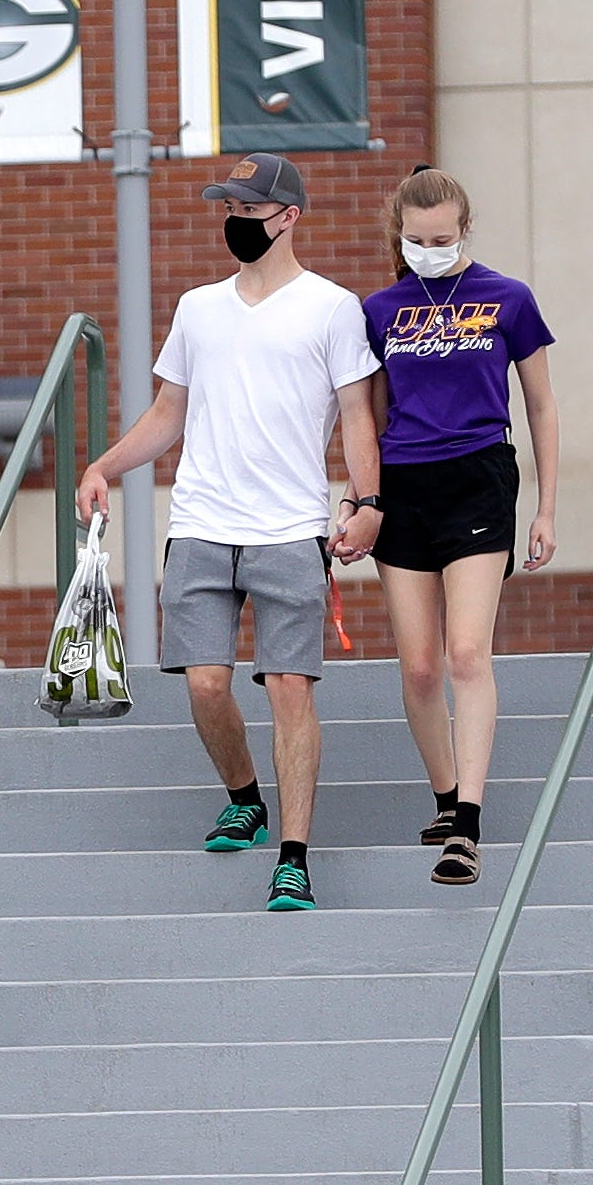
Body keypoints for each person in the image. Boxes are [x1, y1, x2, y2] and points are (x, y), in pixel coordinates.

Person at [76, 153, 384, 914]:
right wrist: (105, 466)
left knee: (288, 689)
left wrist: (368, 500)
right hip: (205, 521)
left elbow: (356, 416)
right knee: (206, 682)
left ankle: (293, 857)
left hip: (290, 527)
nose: (237, 221)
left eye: (250, 209)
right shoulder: (197, 308)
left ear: (289, 217)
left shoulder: (332, 307)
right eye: (230, 207)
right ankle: (244, 796)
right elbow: (167, 413)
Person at [360, 167, 559, 888]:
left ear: (465, 229)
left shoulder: (508, 298)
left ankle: (468, 825)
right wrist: (361, 500)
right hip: (404, 481)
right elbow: (367, 416)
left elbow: (540, 404)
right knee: (419, 665)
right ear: (400, 235)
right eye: (417, 240)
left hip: (479, 475)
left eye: (442, 239)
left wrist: (545, 506)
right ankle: (445, 795)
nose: (429, 249)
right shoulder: (380, 308)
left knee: (467, 651)